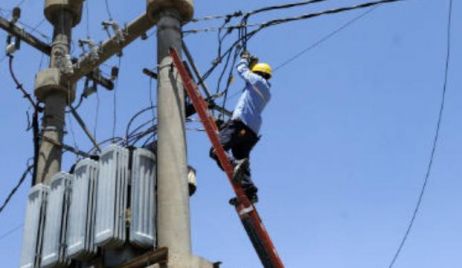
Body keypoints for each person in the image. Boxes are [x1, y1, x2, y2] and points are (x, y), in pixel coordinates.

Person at [210, 51, 272, 203]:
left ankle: (235, 165)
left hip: (241, 123)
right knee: (241, 161)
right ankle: (250, 192)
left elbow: (241, 70)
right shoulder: (266, 91)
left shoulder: (257, 81)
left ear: (258, 73)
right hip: (251, 131)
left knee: (217, 150)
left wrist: (244, 59)